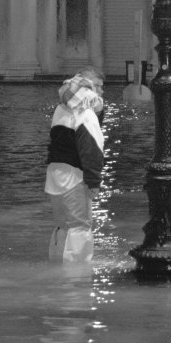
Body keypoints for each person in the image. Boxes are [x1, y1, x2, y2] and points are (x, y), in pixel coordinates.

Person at [44, 69, 105, 263]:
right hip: (74, 176)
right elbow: (91, 150)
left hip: (54, 175)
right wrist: (94, 182)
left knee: (63, 227)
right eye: (101, 87)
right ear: (91, 87)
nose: (102, 93)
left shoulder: (61, 108)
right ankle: (78, 280)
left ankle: (56, 271)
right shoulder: (86, 112)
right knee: (80, 229)